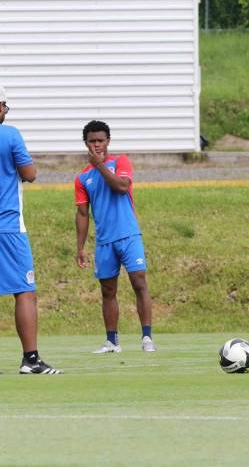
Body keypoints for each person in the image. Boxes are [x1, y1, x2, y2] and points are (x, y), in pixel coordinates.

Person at [75, 121, 156, 354]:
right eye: (92, 141)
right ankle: (112, 341)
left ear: (108, 141)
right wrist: (80, 247)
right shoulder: (82, 178)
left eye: (101, 140)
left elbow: (121, 187)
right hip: (104, 241)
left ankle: (147, 338)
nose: (97, 144)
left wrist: (100, 166)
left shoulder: (120, 162)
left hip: (129, 235)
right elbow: (82, 213)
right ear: (86, 144)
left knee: (139, 282)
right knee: (108, 291)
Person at [0, 89, 62, 374]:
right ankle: (31, 359)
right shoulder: (10, 135)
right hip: (8, 225)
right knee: (25, 290)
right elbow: (30, 173)